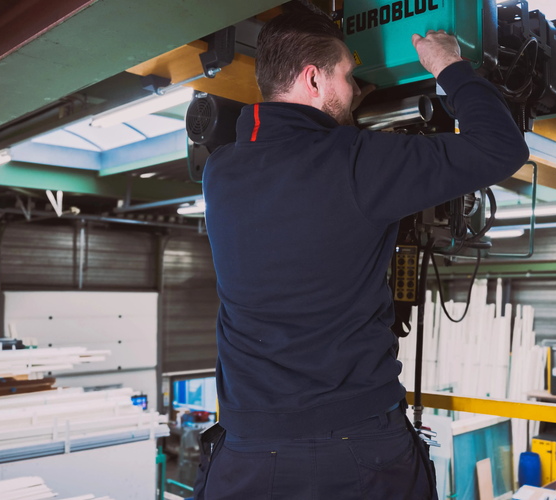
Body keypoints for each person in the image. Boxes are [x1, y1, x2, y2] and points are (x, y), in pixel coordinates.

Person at [194, 7, 529, 500]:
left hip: (246, 453)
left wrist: (340, 114)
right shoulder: (360, 162)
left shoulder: (219, 173)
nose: (352, 89)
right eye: (347, 77)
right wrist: (449, 66)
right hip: (356, 451)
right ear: (313, 78)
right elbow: (501, 148)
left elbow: (301, 168)